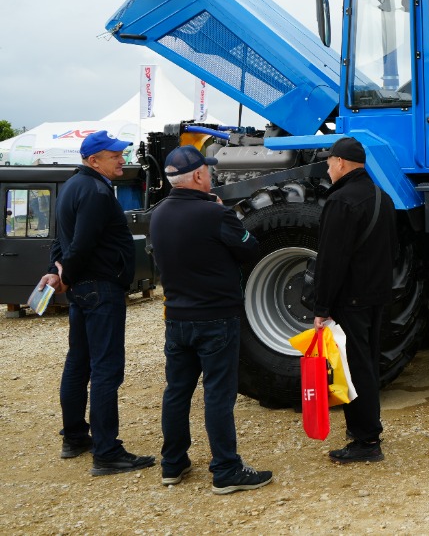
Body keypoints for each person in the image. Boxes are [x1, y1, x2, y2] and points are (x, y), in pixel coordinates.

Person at [148, 146, 273, 493]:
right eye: (208, 171)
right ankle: (226, 469)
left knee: (177, 392)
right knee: (218, 394)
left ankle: (172, 464)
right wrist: (227, 215)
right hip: (216, 317)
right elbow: (250, 248)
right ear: (200, 176)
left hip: (177, 318)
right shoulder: (215, 215)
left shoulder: (158, 214)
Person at [37, 130, 155, 476]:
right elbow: (83, 242)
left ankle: (75, 438)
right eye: (114, 155)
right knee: (105, 370)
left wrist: (57, 273)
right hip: (100, 289)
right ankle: (107, 451)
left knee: (79, 363)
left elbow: (64, 240)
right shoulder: (95, 191)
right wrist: (66, 274)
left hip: (83, 290)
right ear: (94, 160)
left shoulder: (73, 185)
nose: (122, 159)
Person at [311, 137, 396, 463]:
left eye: (330, 163)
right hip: (377, 296)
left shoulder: (341, 202)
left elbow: (331, 260)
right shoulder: (381, 197)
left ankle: (366, 442)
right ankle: (365, 427)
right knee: (368, 364)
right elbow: (393, 250)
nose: (329, 169)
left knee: (353, 370)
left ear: (342, 163)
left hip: (352, 299)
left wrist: (321, 307)